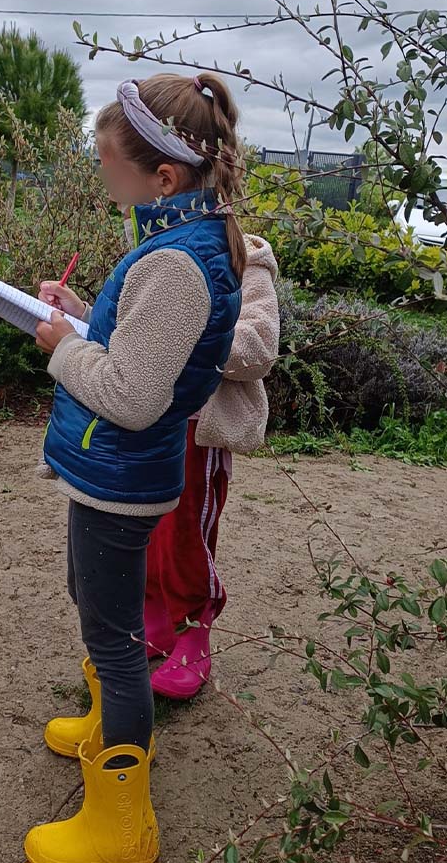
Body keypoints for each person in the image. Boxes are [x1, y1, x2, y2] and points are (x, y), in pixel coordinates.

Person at [24, 72, 245, 863]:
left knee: (115, 643)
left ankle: (122, 822)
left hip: (124, 475)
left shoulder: (176, 264)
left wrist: (63, 348)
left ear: (163, 176)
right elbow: (146, 349)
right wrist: (87, 315)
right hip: (114, 474)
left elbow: (134, 394)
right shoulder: (176, 243)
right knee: (93, 600)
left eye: (106, 160)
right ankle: (99, 729)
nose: (98, 170)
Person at [145, 232, 280, 700]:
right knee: (144, 526)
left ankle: (192, 632)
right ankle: (157, 619)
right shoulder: (156, 247)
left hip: (199, 428)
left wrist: (197, 340)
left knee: (185, 531)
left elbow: (260, 343)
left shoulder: (248, 258)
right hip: (149, 415)